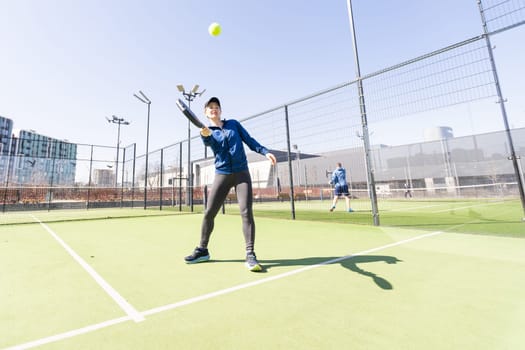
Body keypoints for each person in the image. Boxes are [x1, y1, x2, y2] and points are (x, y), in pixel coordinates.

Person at [184, 97, 277, 272]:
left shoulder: (233, 124)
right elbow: (215, 148)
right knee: (209, 213)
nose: (214, 109)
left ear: (220, 111)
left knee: (246, 212)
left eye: (216, 107)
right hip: (222, 174)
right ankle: (202, 250)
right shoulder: (207, 131)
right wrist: (206, 137)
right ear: (206, 113)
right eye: (210, 107)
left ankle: (250, 254)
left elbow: (249, 140)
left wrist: (265, 152)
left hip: (242, 173)